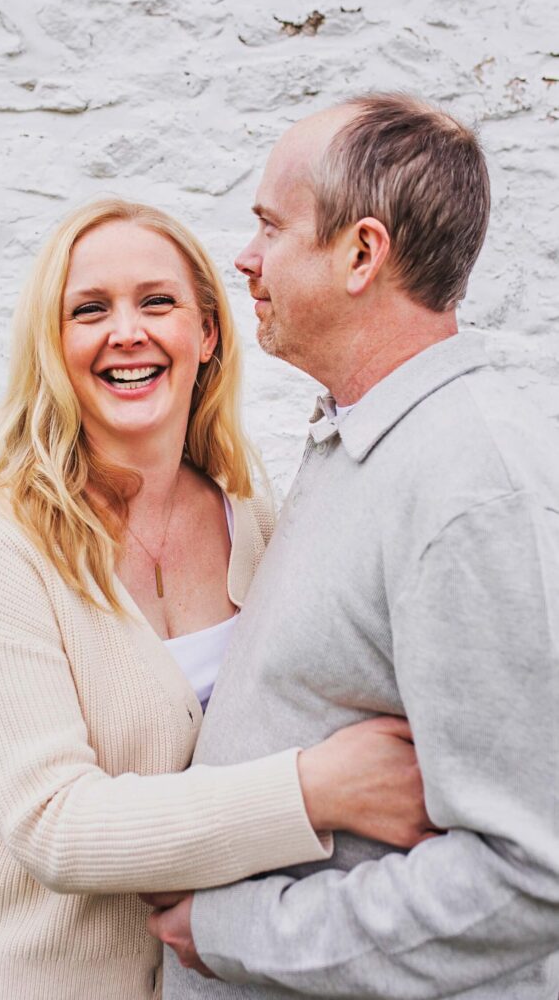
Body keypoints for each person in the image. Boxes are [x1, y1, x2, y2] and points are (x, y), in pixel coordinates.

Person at [0, 197, 434, 1000]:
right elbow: (54, 827)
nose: (125, 331)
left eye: (156, 302)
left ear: (205, 335)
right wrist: (317, 790)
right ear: (52, 347)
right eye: (88, 310)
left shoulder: (255, 518)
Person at [152, 94, 559, 998]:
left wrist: (232, 928)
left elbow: (531, 874)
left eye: (269, 226)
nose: (244, 259)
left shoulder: (469, 486)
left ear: (361, 254)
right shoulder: (362, 440)